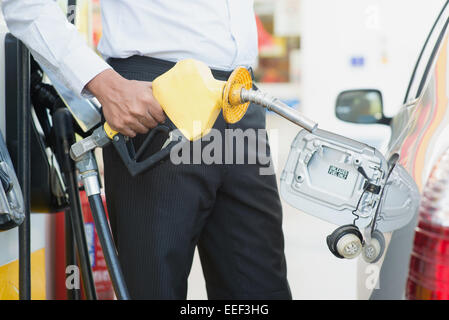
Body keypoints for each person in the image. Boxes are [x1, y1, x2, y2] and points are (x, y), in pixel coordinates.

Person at [3, 0, 291, 300]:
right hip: (157, 100)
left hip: (241, 100)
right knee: (154, 288)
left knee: (262, 289)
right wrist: (104, 84)